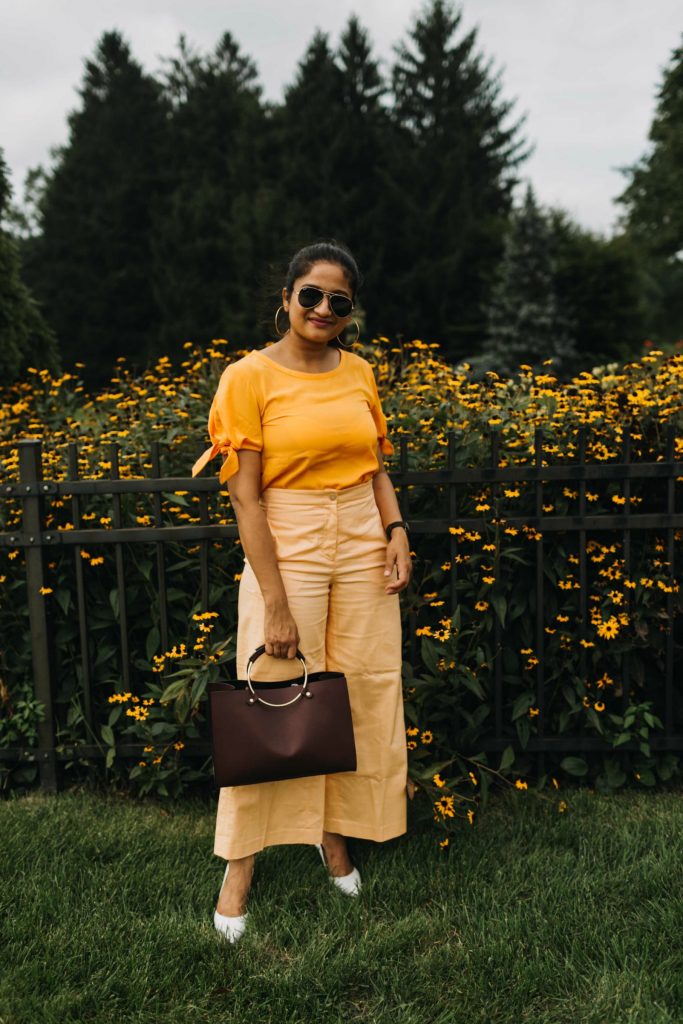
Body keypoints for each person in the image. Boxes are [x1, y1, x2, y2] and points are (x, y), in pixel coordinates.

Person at [192, 239, 412, 943]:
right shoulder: (247, 377)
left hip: (360, 533)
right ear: (285, 298)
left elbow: (374, 465)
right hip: (285, 534)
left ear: (350, 311)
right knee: (276, 687)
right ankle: (239, 869)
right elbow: (245, 501)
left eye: (338, 301)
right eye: (310, 295)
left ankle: (334, 836)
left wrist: (395, 527)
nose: (322, 309)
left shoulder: (358, 373)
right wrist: (277, 599)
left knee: (361, 686)